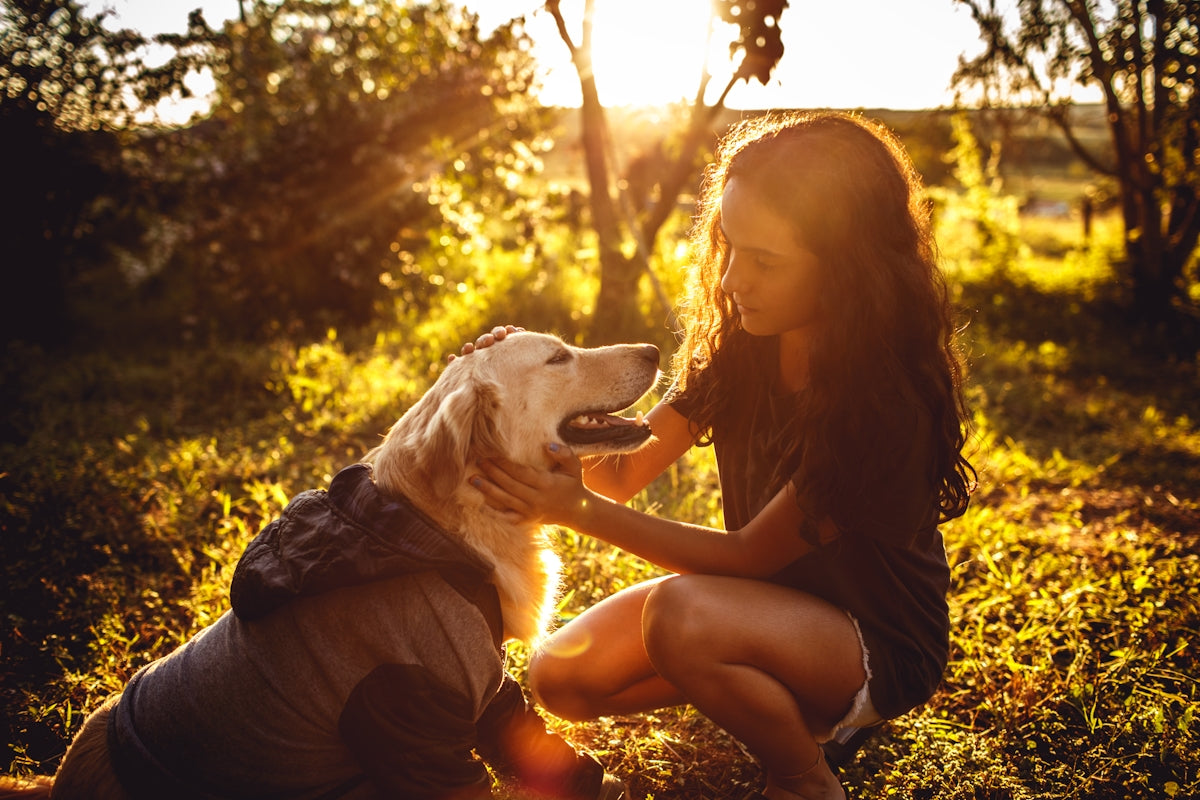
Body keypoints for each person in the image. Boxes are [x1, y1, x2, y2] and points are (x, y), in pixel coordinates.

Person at [466, 111, 977, 800]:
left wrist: (574, 510)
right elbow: (620, 472)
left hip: (874, 643)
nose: (734, 280)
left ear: (848, 268)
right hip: (763, 609)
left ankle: (803, 777)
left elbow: (744, 557)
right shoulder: (745, 349)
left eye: (765, 260)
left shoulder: (884, 402)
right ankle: (769, 693)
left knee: (679, 617)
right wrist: (516, 387)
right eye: (729, 247)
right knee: (560, 675)